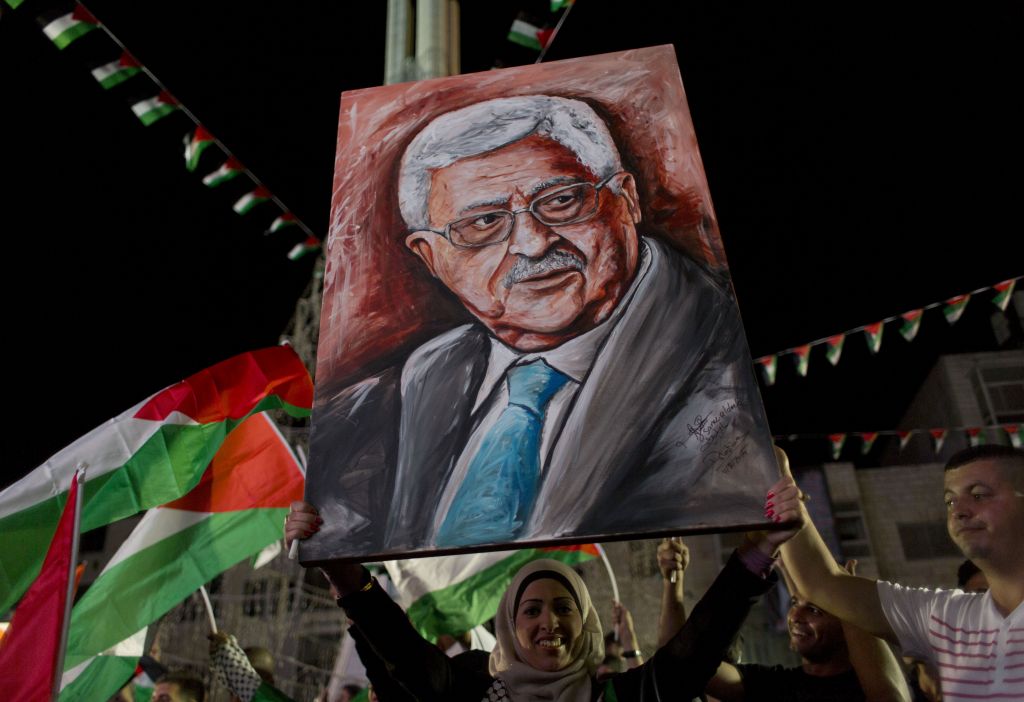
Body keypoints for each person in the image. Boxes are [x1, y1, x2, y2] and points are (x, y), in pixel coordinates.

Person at [304, 94, 775, 557]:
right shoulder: (413, 382)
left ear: (626, 201)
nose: (531, 243)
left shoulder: (724, 367)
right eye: (484, 222)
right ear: (431, 257)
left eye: (562, 200)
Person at [286, 501, 795, 702]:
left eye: (563, 607)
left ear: (586, 621)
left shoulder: (612, 697)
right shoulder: (466, 689)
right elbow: (402, 653)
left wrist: (757, 553)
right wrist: (345, 575)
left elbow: (691, 656)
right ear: (509, 624)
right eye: (531, 610)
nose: (549, 620)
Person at [769, 444, 1024, 699]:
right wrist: (776, 473)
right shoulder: (948, 618)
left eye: (979, 495)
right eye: (950, 500)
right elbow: (822, 583)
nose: (959, 511)